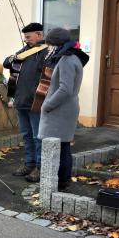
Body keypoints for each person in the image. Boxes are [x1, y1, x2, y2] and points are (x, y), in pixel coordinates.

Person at [38, 28, 89, 190]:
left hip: (60, 110)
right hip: (65, 109)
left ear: (57, 44)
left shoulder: (67, 60)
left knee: (60, 147)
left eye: (50, 45)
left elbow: (65, 89)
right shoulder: (72, 57)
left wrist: (47, 105)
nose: (49, 48)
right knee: (63, 146)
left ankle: (60, 181)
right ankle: (63, 180)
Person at [3, 23, 47, 182]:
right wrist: (13, 57)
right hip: (21, 100)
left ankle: (40, 168)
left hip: (36, 101)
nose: (26, 40)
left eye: (28, 37)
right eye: (25, 37)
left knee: (38, 137)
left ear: (39, 35)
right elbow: (6, 63)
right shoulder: (25, 50)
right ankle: (29, 164)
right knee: (27, 136)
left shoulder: (45, 52)